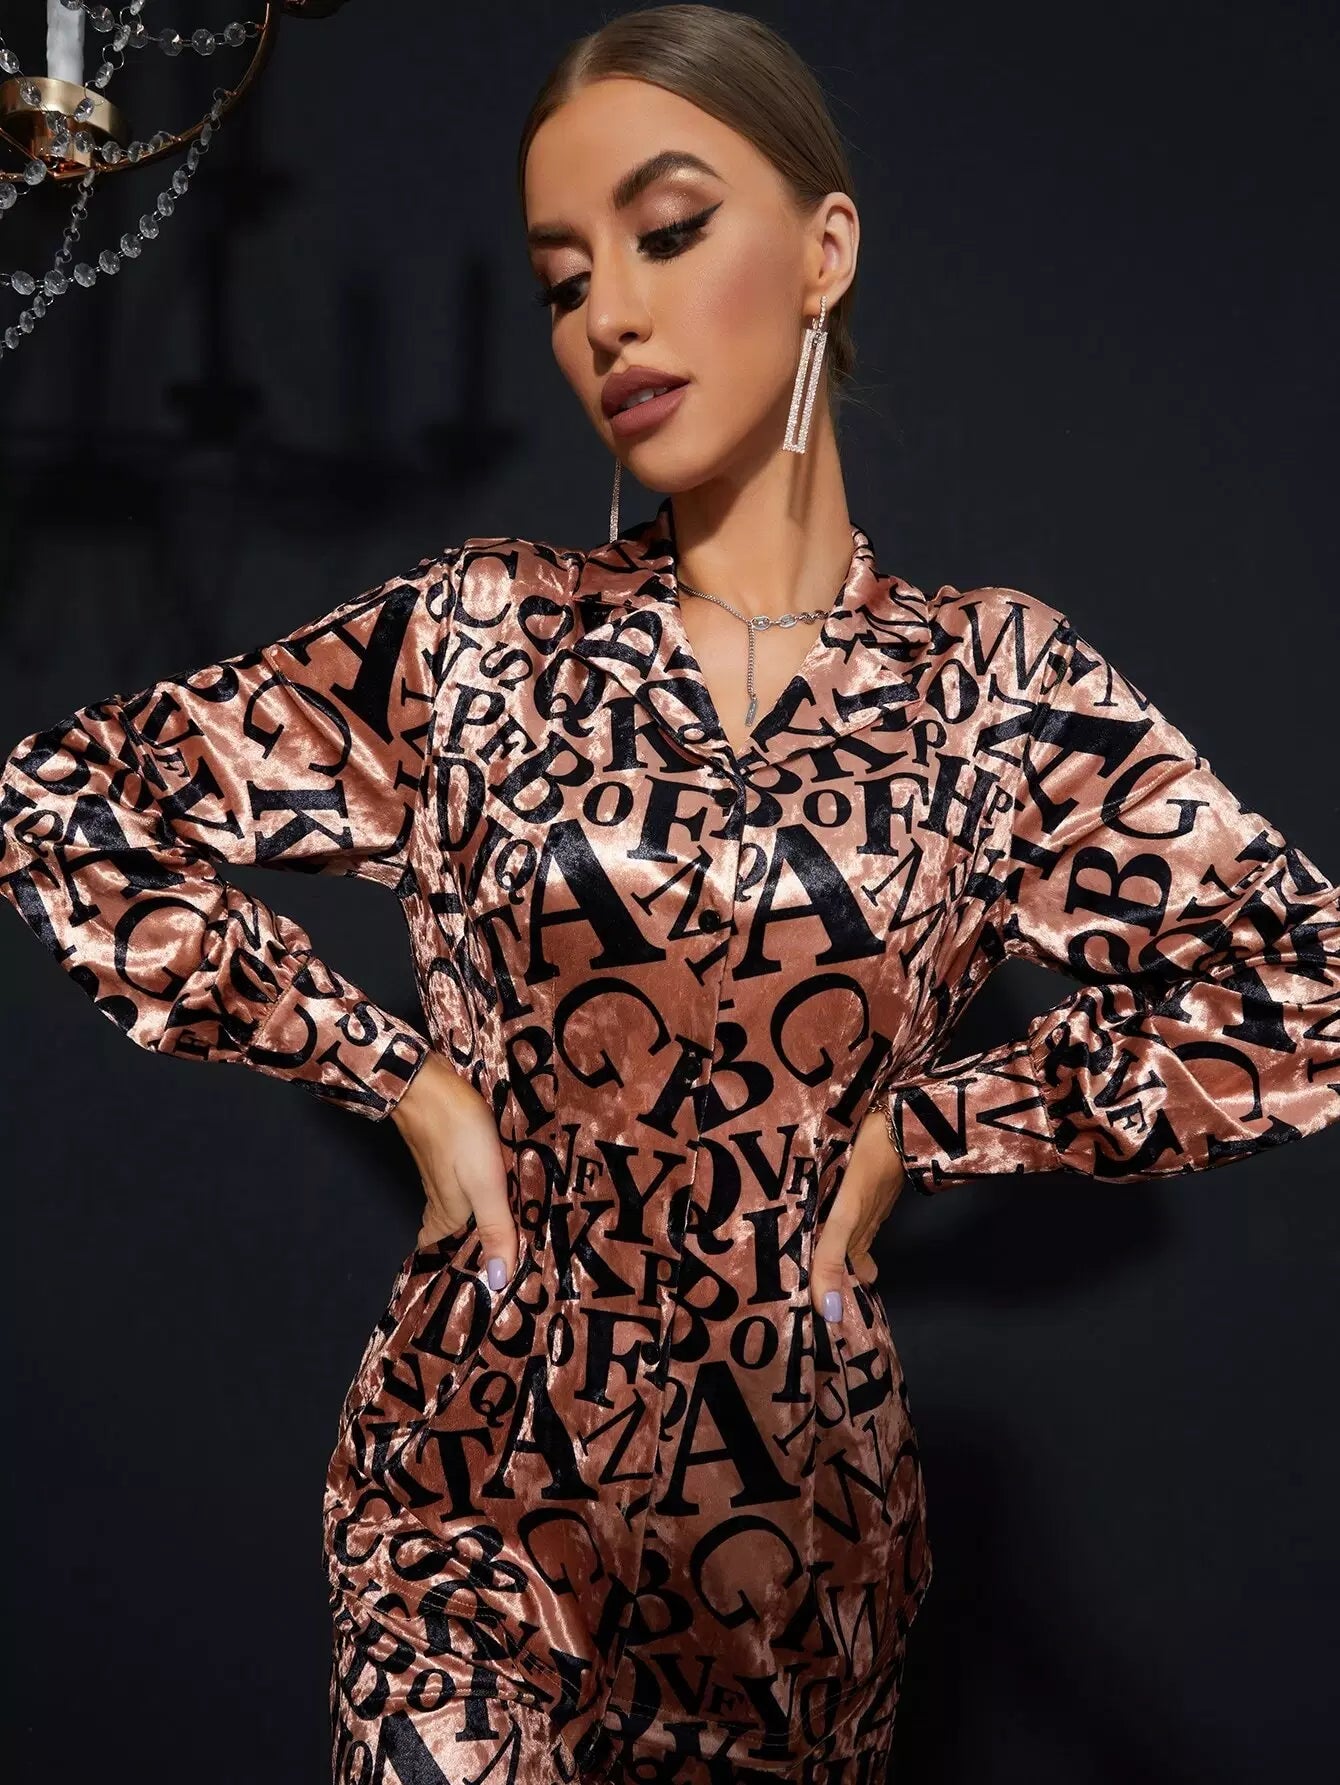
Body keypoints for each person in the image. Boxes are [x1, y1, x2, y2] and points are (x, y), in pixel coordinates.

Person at [2, 8, 1336, 1782]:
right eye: (565, 281)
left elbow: (1304, 982)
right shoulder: (483, 636)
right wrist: (398, 1076)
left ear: (825, 252)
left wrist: (933, 1131)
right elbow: (71, 801)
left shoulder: (992, 686)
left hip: (797, 1562)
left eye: (670, 230)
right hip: (468, 1502)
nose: (608, 318)